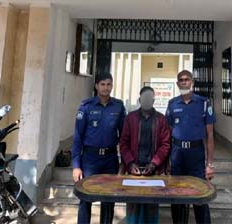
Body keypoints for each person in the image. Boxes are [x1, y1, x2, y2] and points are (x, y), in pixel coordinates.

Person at [71, 72, 127, 224]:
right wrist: (76, 166)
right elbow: (78, 137)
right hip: (90, 159)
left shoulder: (118, 106)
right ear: (96, 86)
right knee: (85, 198)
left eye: (109, 84)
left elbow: (123, 137)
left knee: (108, 199)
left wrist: (124, 162)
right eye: (102, 84)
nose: (105, 88)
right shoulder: (86, 106)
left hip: (110, 159)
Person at [165, 70, 216, 224]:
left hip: (196, 154)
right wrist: (167, 161)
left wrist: (210, 164)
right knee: (177, 195)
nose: (184, 82)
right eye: (181, 80)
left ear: (192, 82)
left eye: (187, 79)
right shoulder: (172, 104)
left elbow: (210, 135)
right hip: (178, 154)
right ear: (177, 84)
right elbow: (168, 134)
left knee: (200, 194)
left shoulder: (203, 103)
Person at [119, 86, 172, 224]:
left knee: (151, 208)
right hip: (133, 171)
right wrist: (130, 163)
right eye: (144, 98)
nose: (147, 100)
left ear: (153, 100)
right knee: (133, 208)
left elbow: (165, 144)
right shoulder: (130, 118)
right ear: (140, 100)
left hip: (153, 171)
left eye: (150, 98)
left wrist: (154, 163)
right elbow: (123, 143)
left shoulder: (161, 119)